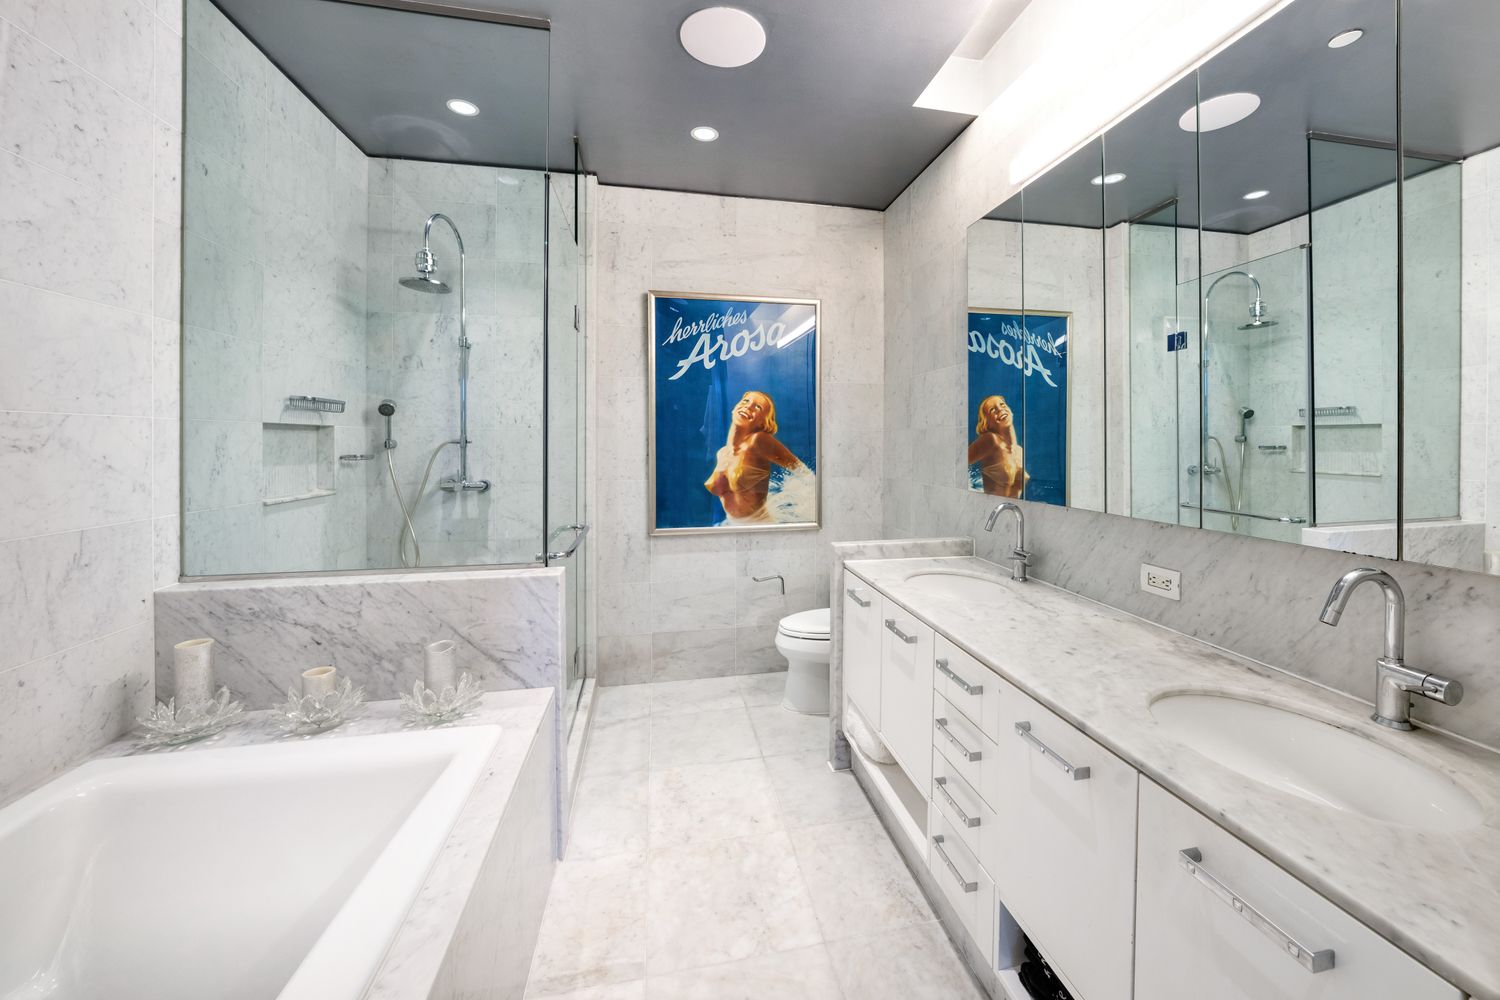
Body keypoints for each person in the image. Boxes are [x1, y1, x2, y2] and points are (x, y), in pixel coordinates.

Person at [704, 390, 806, 523]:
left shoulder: (758, 441)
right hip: (732, 526)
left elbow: (802, 471)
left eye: (758, 407)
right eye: (745, 401)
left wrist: (808, 499)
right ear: (734, 409)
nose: (748, 406)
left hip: (761, 526)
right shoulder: (722, 453)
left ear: (763, 423)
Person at [968, 394, 1025, 498]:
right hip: (990, 506)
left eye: (1002, 405)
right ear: (987, 423)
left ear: (1011, 411)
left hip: (1009, 507)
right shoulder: (991, 440)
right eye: (992, 410)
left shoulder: (1019, 451)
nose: (1000, 409)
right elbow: (958, 460)